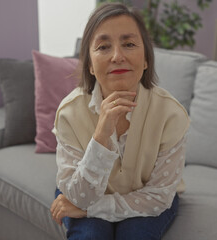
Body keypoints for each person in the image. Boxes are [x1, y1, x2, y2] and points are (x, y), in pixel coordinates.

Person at [50, 3, 189, 239]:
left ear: (146, 60)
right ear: (90, 66)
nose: (117, 56)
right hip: (82, 191)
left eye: (129, 44)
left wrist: (91, 210)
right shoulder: (69, 113)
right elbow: (78, 196)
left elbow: (158, 196)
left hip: (147, 197)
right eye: (103, 47)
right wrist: (102, 134)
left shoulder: (171, 114)